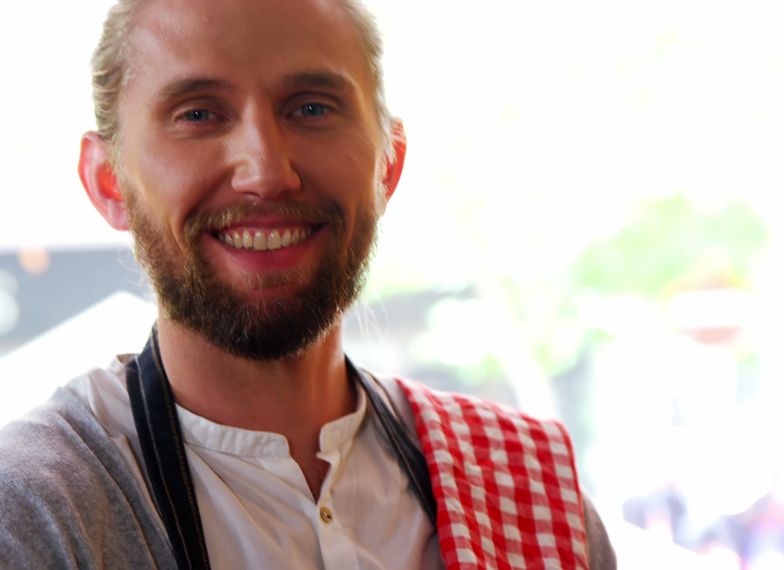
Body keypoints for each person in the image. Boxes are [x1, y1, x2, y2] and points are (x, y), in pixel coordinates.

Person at [0, 0, 616, 568]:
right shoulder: (34, 514)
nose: (266, 172)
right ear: (109, 181)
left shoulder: (531, 490)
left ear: (388, 161)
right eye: (198, 114)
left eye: (312, 108)